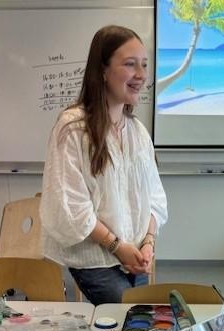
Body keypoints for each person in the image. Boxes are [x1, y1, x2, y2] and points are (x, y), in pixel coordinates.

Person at [40, 25, 168, 305]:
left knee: (136, 322)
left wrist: (148, 241)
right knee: (132, 317)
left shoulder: (137, 132)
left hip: (135, 255)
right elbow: (72, 206)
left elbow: (154, 197)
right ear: (102, 70)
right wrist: (117, 246)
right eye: (130, 64)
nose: (141, 74)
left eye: (144, 65)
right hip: (95, 259)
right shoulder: (74, 128)